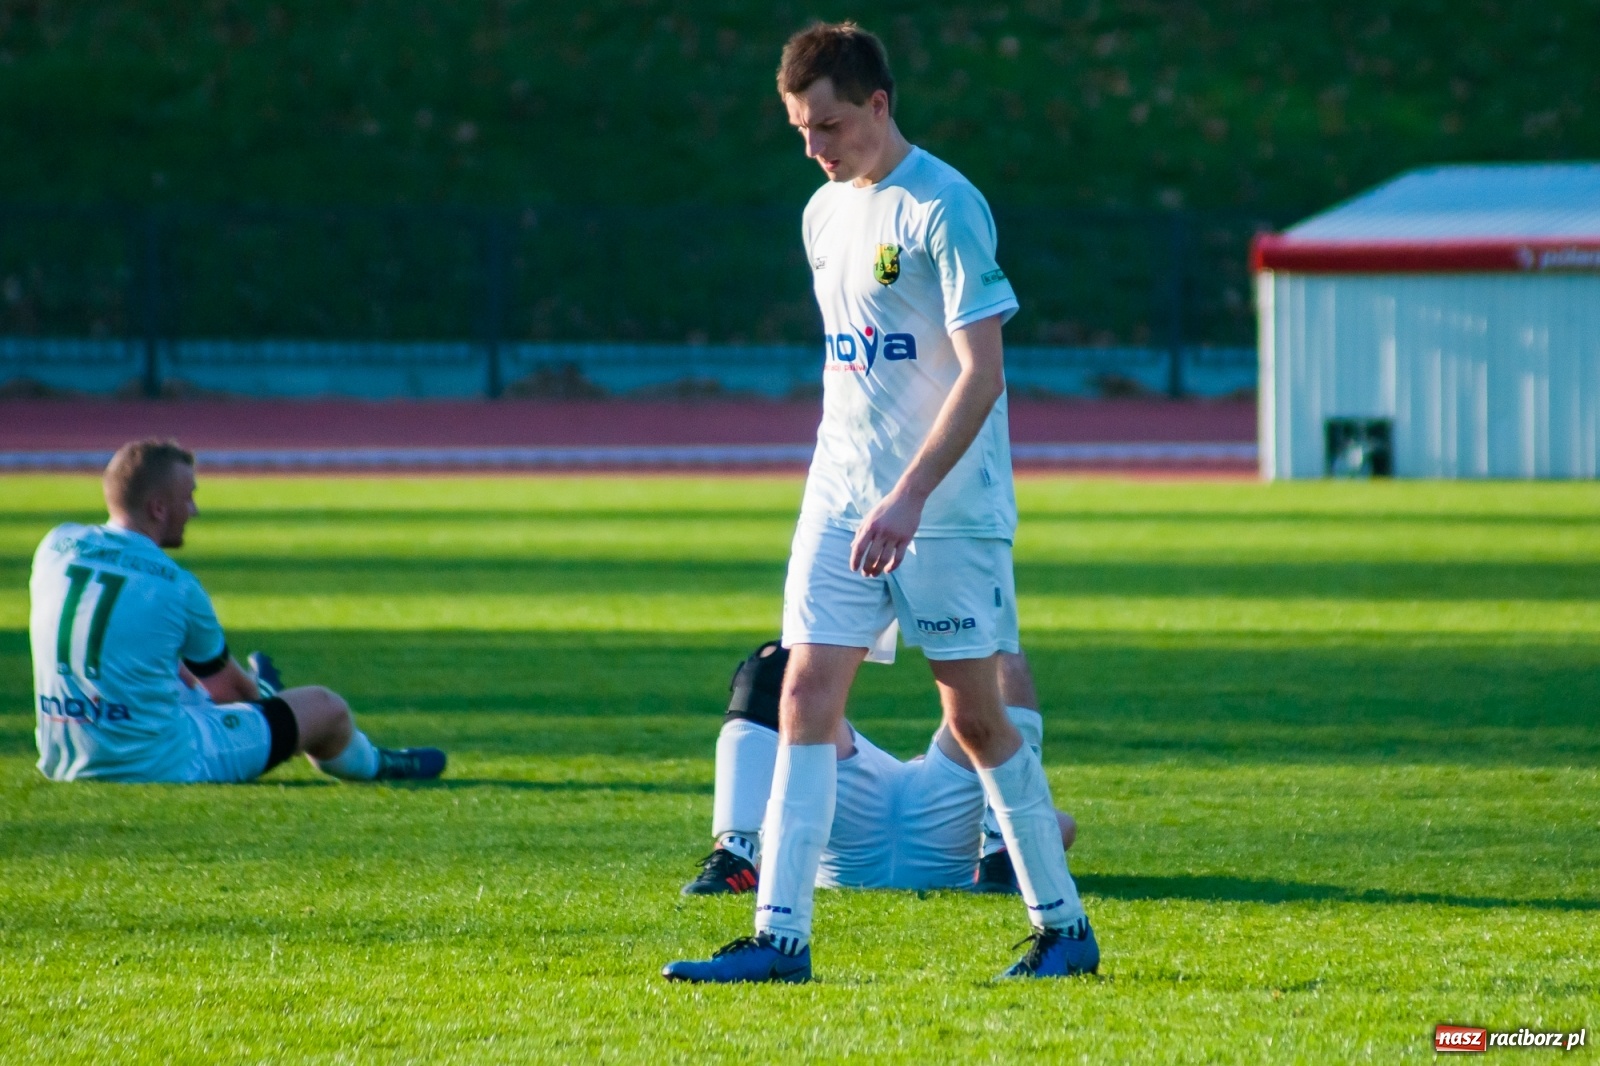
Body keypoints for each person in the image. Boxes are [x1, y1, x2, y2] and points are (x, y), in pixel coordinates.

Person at [664, 23, 1096, 984]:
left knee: (979, 722)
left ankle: (1063, 927)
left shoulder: (946, 206)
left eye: (828, 125)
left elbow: (981, 377)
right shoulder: (823, 214)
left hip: (940, 511)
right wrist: (860, 493)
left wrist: (906, 498)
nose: (815, 147)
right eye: (799, 130)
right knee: (805, 695)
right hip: (840, 499)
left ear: (878, 104)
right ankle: (781, 939)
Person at [29, 438, 446, 784]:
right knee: (324, 707)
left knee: (177, 676)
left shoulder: (54, 546)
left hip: (63, 755)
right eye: (188, 498)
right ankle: (380, 763)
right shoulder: (175, 584)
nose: (193, 511)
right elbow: (228, 693)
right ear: (158, 508)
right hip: (160, 763)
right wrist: (263, 696)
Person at [681, 641, 1075, 898]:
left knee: (997, 648)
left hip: (868, 851)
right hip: (920, 847)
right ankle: (736, 853)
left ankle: (735, 851)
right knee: (1002, 653)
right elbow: (1063, 826)